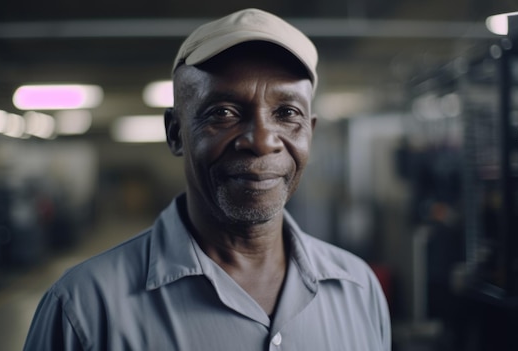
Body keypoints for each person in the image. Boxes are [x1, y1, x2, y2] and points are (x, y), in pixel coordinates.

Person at [24, 8, 391, 351]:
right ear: (175, 132)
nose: (261, 140)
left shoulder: (358, 290)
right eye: (224, 112)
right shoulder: (84, 310)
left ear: (309, 132)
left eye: (286, 112)